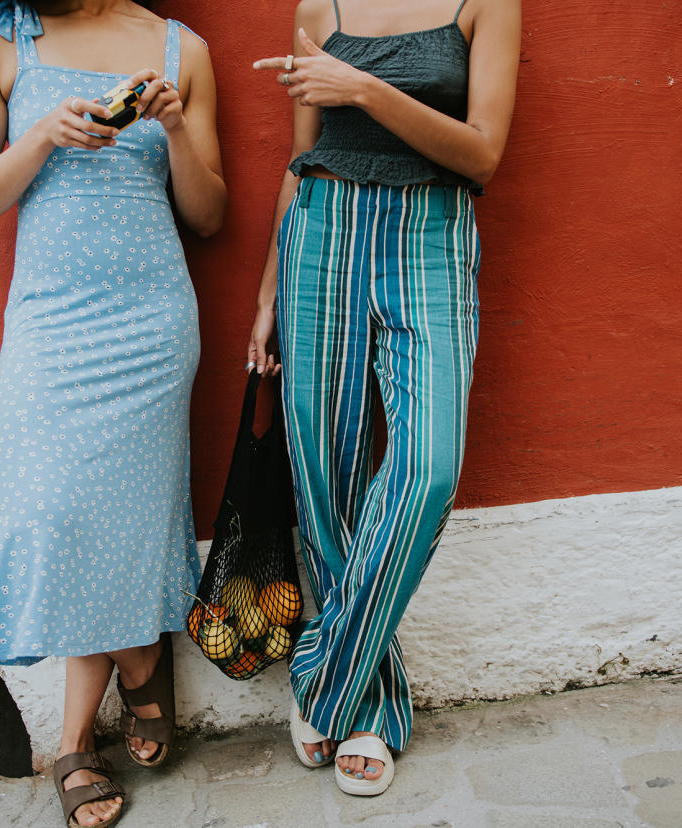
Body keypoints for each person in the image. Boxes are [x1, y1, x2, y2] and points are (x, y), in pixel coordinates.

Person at [0, 0, 225, 825]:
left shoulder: (183, 50)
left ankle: (72, 744)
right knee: (54, 514)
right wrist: (40, 138)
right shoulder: (2, 38)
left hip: (150, 321)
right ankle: (142, 658)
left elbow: (209, 214)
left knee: (128, 521)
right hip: (50, 321)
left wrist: (173, 126)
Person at [247, 0, 519, 797]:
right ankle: (370, 709)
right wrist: (267, 291)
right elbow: (300, 162)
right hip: (321, 231)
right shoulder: (317, 5)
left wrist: (361, 87)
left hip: (431, 232)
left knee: (429, 465)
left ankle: (325, 676)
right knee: (324, 479)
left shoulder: (487, 5)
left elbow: (482, 156)